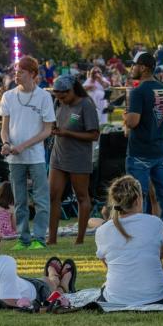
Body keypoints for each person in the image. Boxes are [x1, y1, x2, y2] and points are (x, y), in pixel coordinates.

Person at [0, 55, 56, 250]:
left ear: (32, 74)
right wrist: (6, 143)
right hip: (15, 159)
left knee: (41, 199)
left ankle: (39, 238)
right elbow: (4, 127)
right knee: (20, 199)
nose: (17, 75)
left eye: (21, 72)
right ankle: (23, 239)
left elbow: (47, 130)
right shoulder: (8, 96)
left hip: (36, 157)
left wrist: (24, 145)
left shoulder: (44, 96)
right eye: (16, 72)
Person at [95, 176, 163, 305]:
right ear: (138, 199)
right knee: (156, 259)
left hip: (116, 299)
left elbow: (108, 265)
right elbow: (162, 253)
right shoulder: (155, 223)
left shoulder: (102, 231)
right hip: (159, 297)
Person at [123, 52, 163, 240]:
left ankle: (141, 232)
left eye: (135, 65)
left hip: (140, 153)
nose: (132, 68)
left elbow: (133, 122)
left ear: (144, 67)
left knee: (138, 195)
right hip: (159, 150)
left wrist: (125, 116)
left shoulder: (138, 91)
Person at [47, 75, 99, 245]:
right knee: (53, 196)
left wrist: (68, 133)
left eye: (63, 96)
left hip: (79, 158)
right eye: (57, 96)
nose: (60, 99)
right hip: (59, 156)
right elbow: (56, 122)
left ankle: (80, 239)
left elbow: (94, 134)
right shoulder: (58, 103)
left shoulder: (86, 105)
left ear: (72, 90)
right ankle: (52, 239)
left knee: (82, 197)